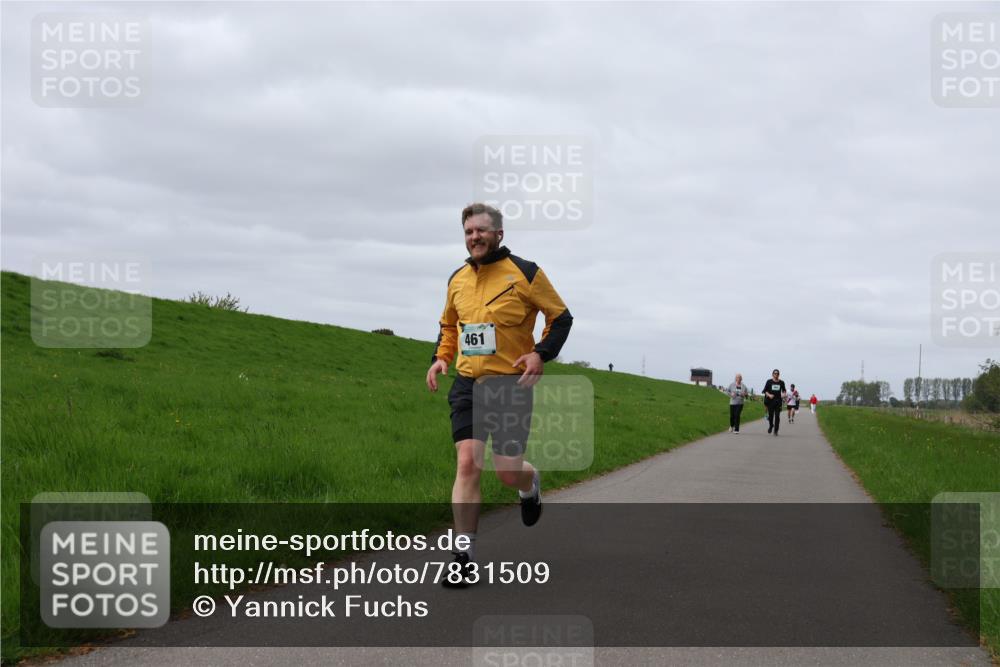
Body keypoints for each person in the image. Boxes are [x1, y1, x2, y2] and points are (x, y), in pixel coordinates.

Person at [426, 203, 573, 588]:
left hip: (511, 385)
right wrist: (441, 359)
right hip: (467, 384)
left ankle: (530, 483)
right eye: (468, 232)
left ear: (499, 234)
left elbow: (561, 317)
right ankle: (463, 556)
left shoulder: (525, 273)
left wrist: (539, 354)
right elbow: (449, 325)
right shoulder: (457, 279)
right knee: (467, 464)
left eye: (481, 231)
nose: (474, 237)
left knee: (508, 472)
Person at [762, 369, 787, 436]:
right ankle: (771, 426)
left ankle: (776, 431)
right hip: (770, 402)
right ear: (772, 374)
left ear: (779, 375)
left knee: (777, 416)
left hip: (778, 401)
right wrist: (769, 395)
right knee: (770, 416)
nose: (776, 375)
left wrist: (783, 395)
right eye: (775, 373)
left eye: (777, 374)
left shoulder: (781, 382)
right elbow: (765, 391)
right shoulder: (769, 381)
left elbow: (784, 391)